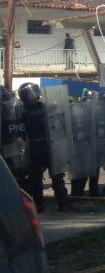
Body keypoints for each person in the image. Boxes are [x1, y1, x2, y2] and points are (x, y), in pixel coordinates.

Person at [18, 83, 69, 212]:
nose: (34, 95)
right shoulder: (22, 111)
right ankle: (39, 205)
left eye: (34, 92)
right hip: (34, 146)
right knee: (35, 179)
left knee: (57, 175)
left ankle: (63, 203)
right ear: (24, 96)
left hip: (49, 145)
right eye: (30, 93)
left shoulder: (44, 106)